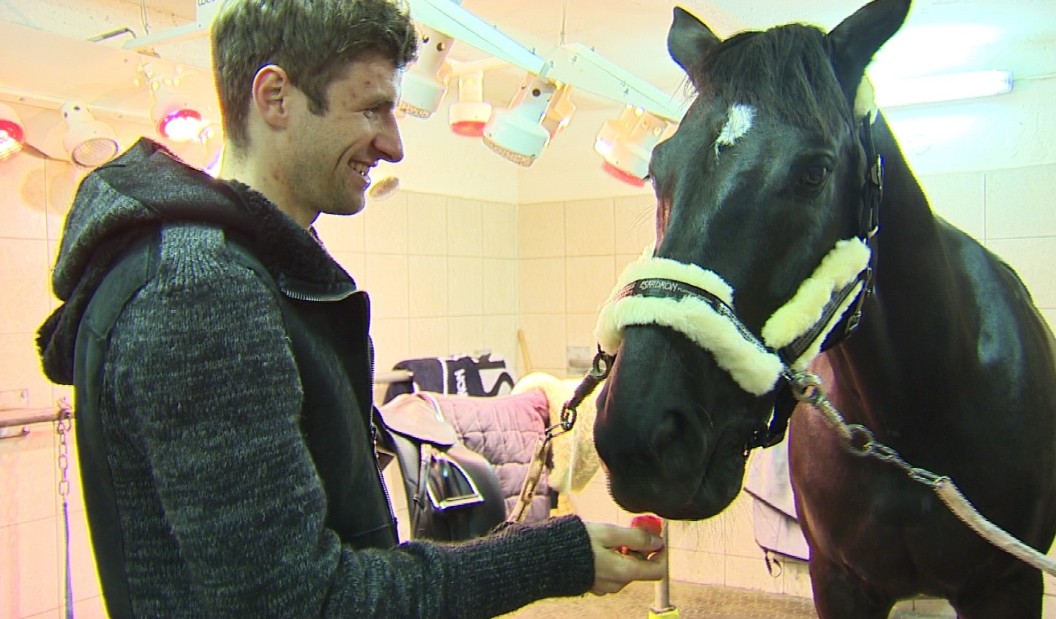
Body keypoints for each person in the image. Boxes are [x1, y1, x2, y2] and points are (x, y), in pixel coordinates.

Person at [35, 0, 666, 616]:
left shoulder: (256, 272)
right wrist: (551, 558)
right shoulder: (201, 291)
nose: (393, 146)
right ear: (275, 97)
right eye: (371, 110)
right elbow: (304, 602)